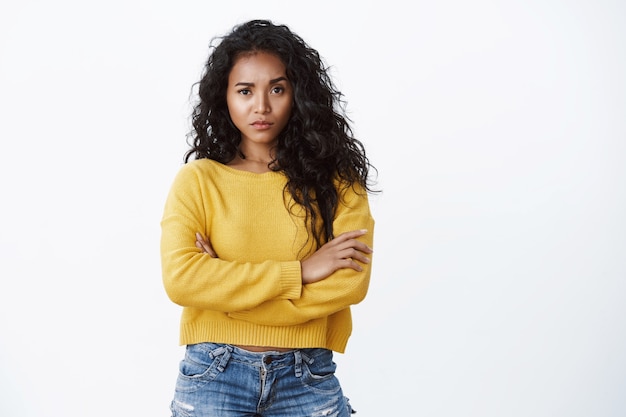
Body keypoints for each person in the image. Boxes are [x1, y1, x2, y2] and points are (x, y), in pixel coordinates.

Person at [160, 19, 376, 417]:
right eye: (245, 91)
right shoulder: (199, 181)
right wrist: (301, 272)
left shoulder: (337, 181)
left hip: (307, 375)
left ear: (298, 94)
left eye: (277, 88)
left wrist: (226, 294)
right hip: (214, 373)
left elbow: (349, 284)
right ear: (224, 97)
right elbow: (182, 280)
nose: (261, 106)